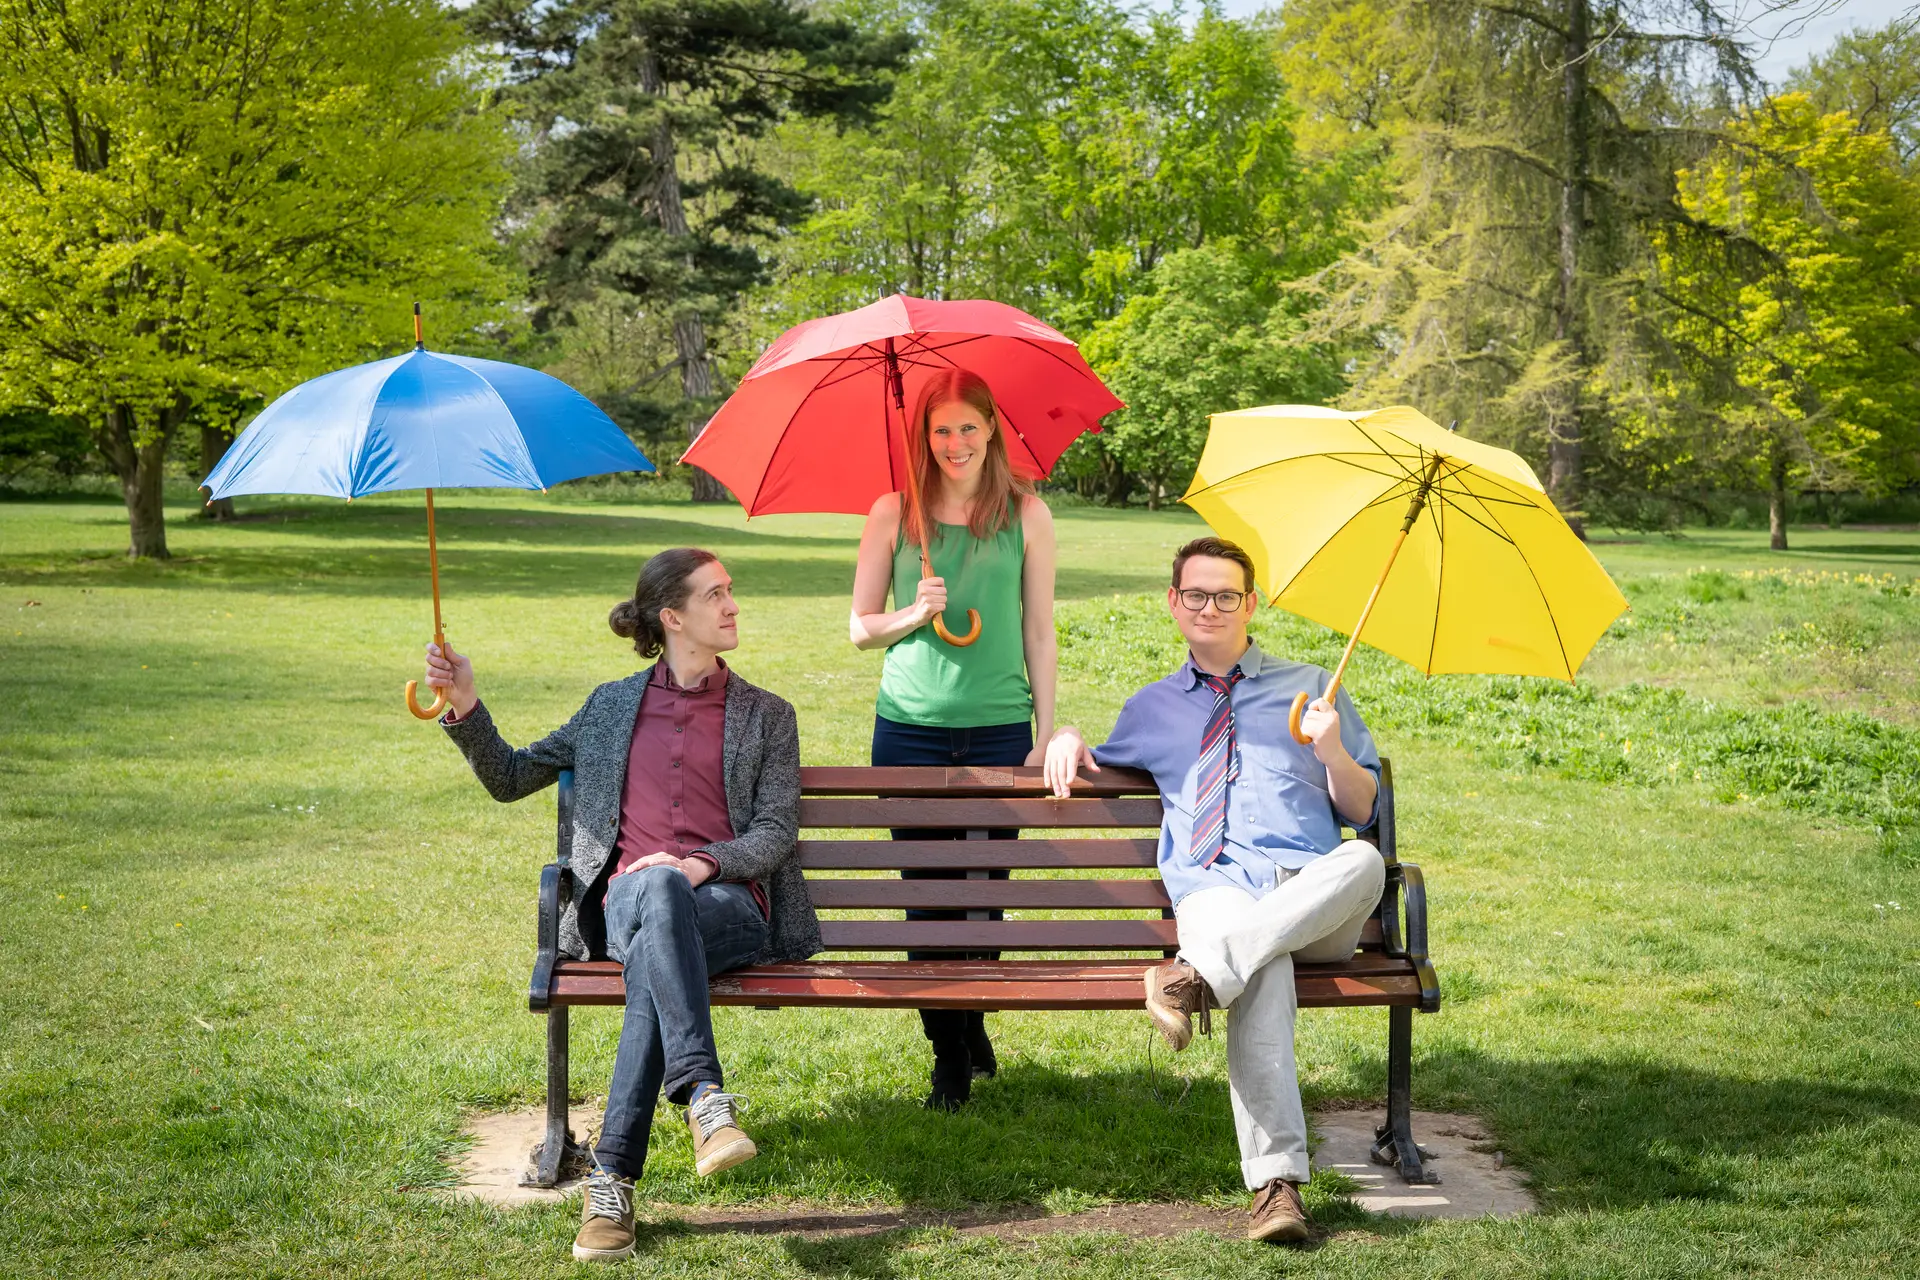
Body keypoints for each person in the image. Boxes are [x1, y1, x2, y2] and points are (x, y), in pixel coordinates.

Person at [423, 548, 818, 1264]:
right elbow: (512, 777)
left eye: (731, 592)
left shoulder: (768, 716)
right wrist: (465, 701)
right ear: (673, 618)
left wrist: (701, 862)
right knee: (656, 894)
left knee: (662, 933)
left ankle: (613, 1183)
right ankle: (702, 1098)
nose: (733, 606)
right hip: (626, 904)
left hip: (729, 907)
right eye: (717, 595)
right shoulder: (610, 707)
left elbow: (775, 830)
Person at [1043, 536, 1385, 1244]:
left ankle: (1196, 976)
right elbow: (1098, 757)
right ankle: (1276, 1189)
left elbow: (1361, 810)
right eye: (1195, 594)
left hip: (1310, 898)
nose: (1210, 607)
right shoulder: (1152, 708)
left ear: (1250, 603)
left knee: (1365, 864)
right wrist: (1069, 733)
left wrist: (1331, 749)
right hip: (1217, 891)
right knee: (1262, 966)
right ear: (1174, 603)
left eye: (1226, 595)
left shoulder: (1312, 686)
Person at [849, 367, 1058, 1110]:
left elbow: (1038, 628)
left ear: (992, 428)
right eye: (941, 430)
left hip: (1000, 728)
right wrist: (912, 612)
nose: (955, 442)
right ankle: (948, 1049)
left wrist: (1040, 729)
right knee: (930, 901)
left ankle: (966, 1015)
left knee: (984, 899)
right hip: (909, 731)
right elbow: (859, 627)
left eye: (969, 426)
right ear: (923, 436)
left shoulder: (1027, 515)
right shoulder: (892, 512)